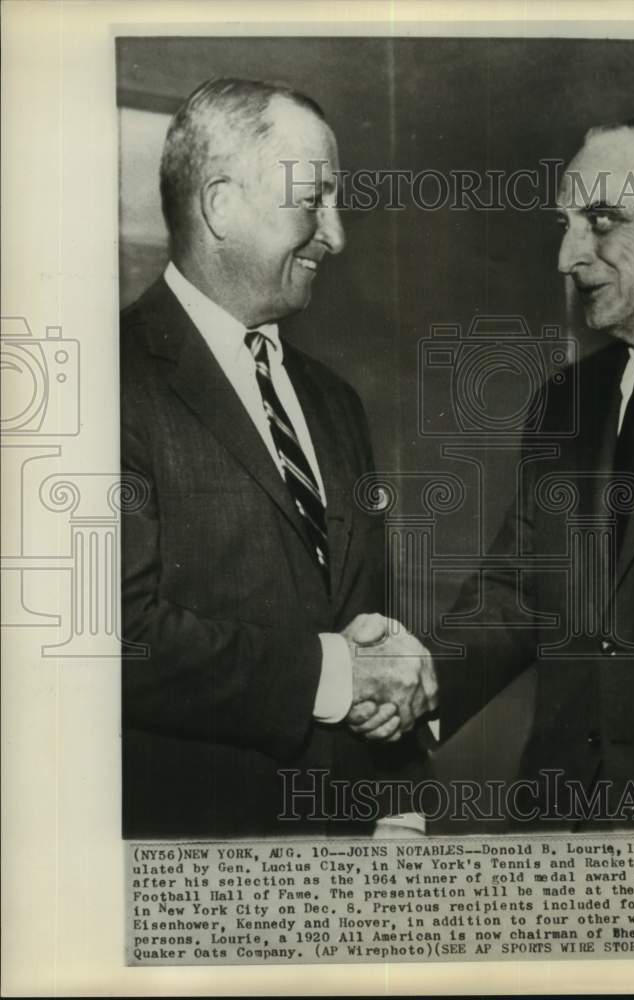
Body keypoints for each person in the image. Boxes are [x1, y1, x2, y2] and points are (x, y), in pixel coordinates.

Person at [363, 117, 634, 829]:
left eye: (602, 220)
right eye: (565, 223)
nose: (566, 255)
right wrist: (420, 676)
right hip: (561, 826)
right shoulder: (566, 399)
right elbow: (519, 589)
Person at [120, 78, 435, 838]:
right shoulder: (101, 378)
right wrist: (330, 675)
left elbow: (368, 624)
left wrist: (399, 803)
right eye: (312, 200)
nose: (337, 234)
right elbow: (115, 638)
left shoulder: (335, 403)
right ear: (221, 204)